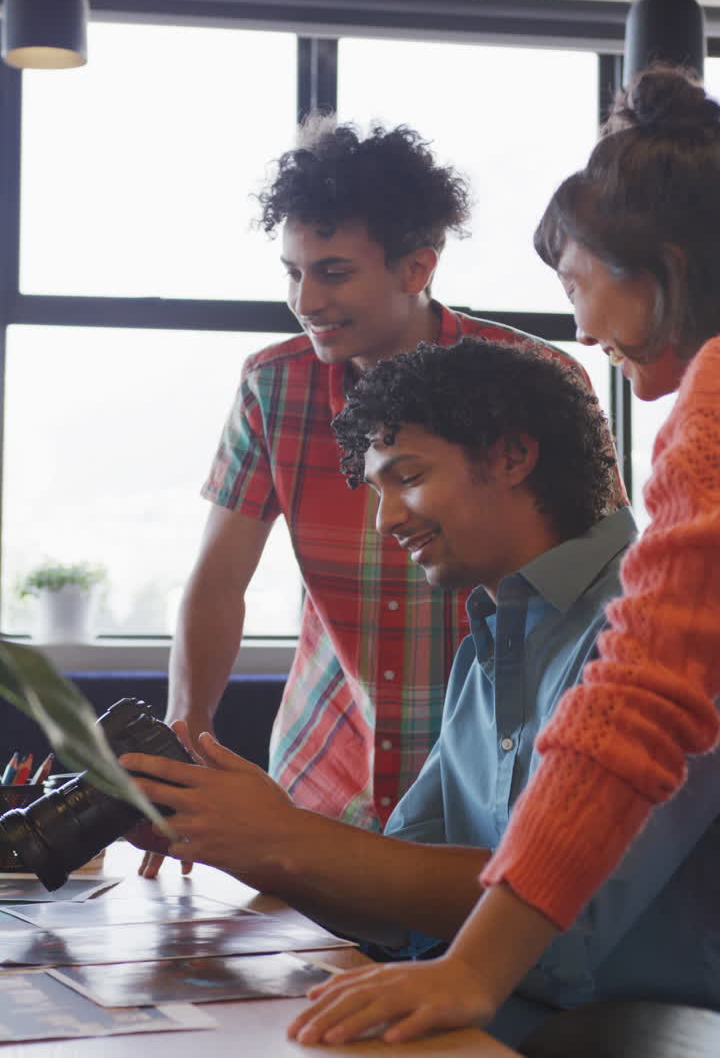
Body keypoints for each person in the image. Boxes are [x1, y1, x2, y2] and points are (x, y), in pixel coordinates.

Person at [290, 64, 720, 1045]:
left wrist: (473, 971)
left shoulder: (711, 403)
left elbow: (640, 701)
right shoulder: (486, 631)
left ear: (664, 265)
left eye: (576, 282)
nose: (579, 324)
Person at [126, 339, 718, 1047]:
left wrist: (290, 838)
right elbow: (399, 906)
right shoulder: (487, 648)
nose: (386, 522)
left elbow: (568, 912)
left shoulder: (664, 631)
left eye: (406, 477)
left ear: (511, 457)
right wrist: (242, 839)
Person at [153, 117, 602, 879]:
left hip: (488, 781)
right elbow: (219, 580)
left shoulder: (533, 380)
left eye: (332, 272)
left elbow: (594, 581)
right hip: (324, 776)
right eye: (291, 272)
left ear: (416, 266)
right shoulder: (274, 384)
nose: (304, 299)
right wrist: (183, 745)